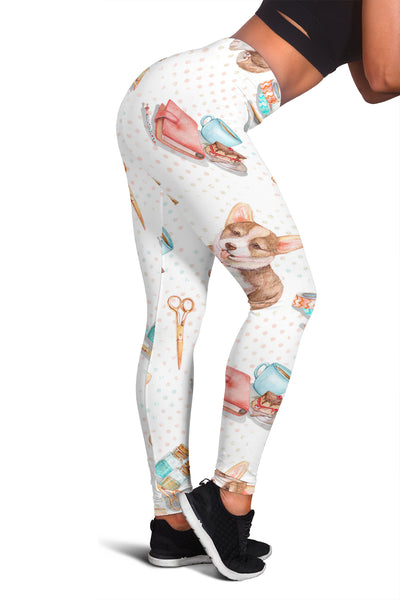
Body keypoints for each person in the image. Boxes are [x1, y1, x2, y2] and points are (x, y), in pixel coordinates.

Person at [116, 0, 399, 581]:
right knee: (288, 295)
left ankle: (173, 524)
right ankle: (228, 500)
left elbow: (372, 86)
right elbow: (386, 72)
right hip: (194, 105)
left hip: (158, 94)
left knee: (172, 318)